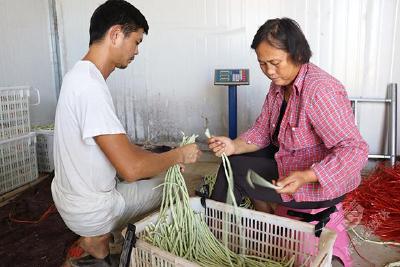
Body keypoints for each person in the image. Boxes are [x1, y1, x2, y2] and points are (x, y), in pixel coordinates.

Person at [51, 1, 201, 265]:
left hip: (72, 201)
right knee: (183, 184)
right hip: (92, 211)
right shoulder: (90, 88)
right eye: (137, 41)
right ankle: (98, 243)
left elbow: (124, 150)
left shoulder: (78, 76)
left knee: (160, 168)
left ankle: (95, 240)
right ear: (116, 34)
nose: (137, 51)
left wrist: (161, 162)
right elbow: (131, 168)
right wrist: (179, 155)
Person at [208, 18, 368, 266]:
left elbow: (356, 151)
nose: (269, 71)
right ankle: (261, 220)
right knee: (233, 159)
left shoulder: (320, 91)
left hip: (316, 184)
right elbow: (262, 131)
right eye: (262, 64)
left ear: (298, 55)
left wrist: (307, 176)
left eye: (275, 63)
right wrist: (232, 145)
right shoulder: (278, 86)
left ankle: (212, 239)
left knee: (233, 173)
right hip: (292, 164)